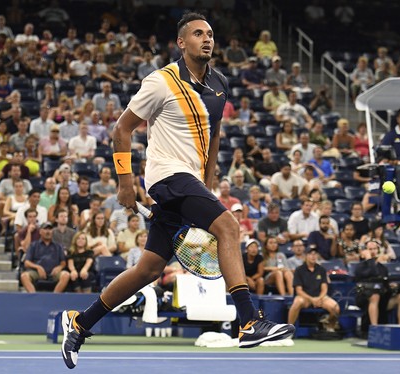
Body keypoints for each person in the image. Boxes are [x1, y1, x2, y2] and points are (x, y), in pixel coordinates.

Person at [61, 14, 294, 368]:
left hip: (191, 181)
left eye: (210, 34)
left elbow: (214, 138)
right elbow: (122, 130)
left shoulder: (219, 83)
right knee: (229, 228)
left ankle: (80, 323)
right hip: (167, 175)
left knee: (148, 269)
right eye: (198, 34)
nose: (207, 39)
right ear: (182, 43)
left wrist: (209, 185)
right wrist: (126, 182)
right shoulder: (161, 81)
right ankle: (248, 321)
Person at [355, 239, 400, 332]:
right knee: (375, 296)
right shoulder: (360, 267)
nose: (372, 251)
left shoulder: (383, 268)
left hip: (382, 299)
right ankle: (375, 329)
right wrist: (369, 260)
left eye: (375, 249)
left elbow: (384, 283)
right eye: (370, 249)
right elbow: (373, 273)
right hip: (365, 298)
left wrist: (392, 286)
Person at [287, 246, 340, 331]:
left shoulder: (321, 270)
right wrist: (312, 299)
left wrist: (319, 298)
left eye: (315, 254)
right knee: (297, 302)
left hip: (320, 297)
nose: (313, 256)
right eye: (310, 254)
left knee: (335, 307)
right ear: (306, 256)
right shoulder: (299, 270)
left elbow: (324, 289)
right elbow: (299, 291)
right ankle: (288, 330)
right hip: (305, 297)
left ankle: (329, 326)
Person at [20, 222, 70, 293]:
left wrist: (59, 267)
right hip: (37, 272)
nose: (48, 232)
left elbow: (63, 263)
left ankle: (54, 297)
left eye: (50, 229)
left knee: (66, 275)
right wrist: (38, 267)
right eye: (45, 229)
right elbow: (27, 263)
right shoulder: (34, 245)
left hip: (54, 273)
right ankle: (34, 297)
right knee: (24, 276)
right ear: (40, 231)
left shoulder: (58, 246)